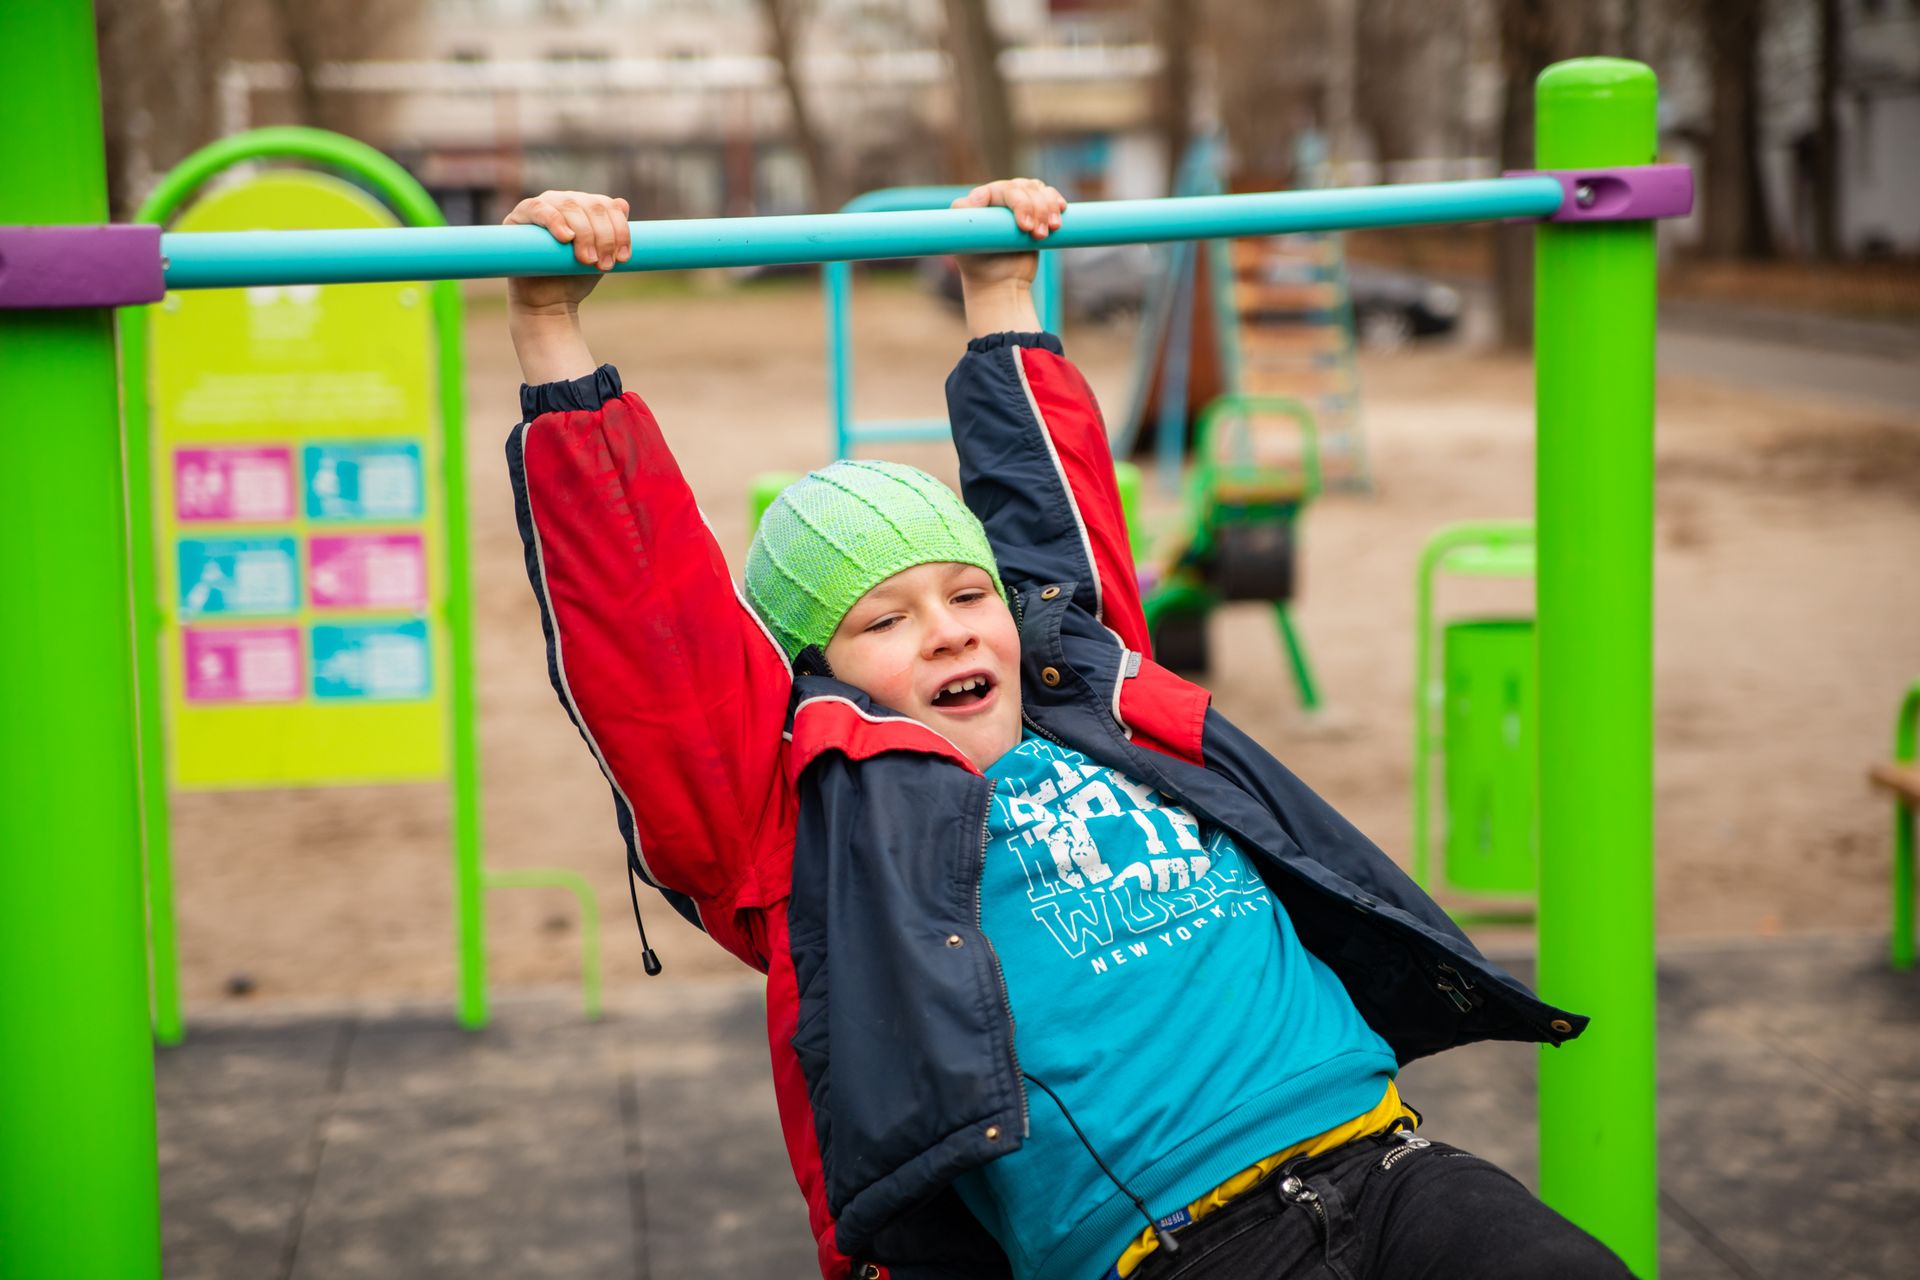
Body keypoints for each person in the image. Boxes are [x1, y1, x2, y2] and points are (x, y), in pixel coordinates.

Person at [502, 181, 1632, 1280]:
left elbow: (1056, 517)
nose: (949, 630)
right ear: (813, 680)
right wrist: (551, 330)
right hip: (1181, 1244)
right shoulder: (811, 820)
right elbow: (654, 647)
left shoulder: (1089, 694)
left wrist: (1000, 290)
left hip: (1387, 1161)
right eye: (885, 621)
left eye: (968, 594)